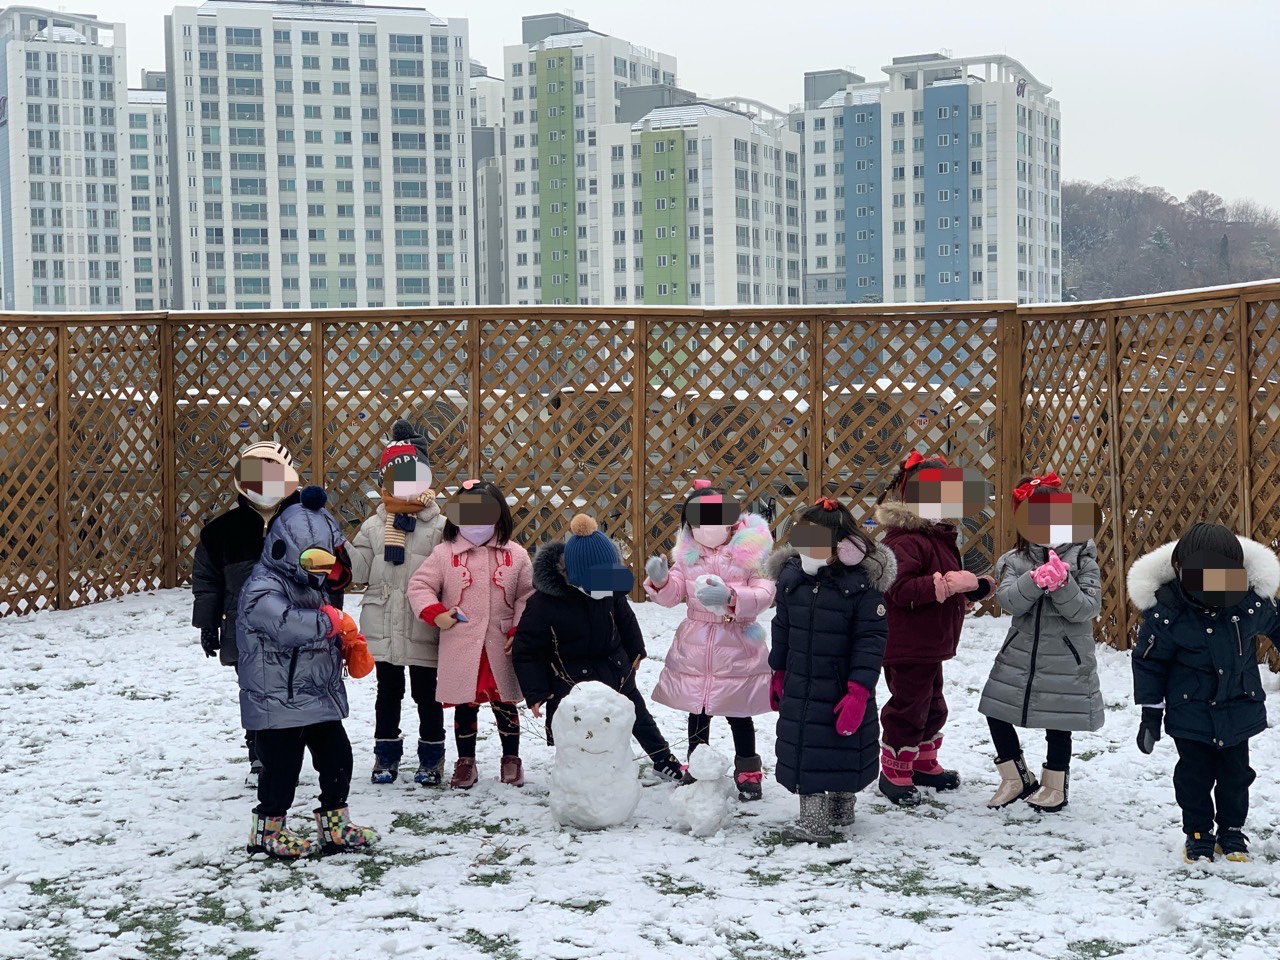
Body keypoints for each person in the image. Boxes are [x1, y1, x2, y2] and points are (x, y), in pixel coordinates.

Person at [237, 485, 377, 859]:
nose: (319, 572)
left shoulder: (310, 586)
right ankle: (268, 830)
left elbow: (322, 625)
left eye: (325, 563)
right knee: (281, 770)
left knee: (338, 757)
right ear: (285, 549)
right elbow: (285, 625)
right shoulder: (262, 586)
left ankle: (335, 824)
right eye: (312, 561)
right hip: (277, 698)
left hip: (316, 693)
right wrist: (330, 621)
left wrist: (347, 644)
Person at [1127, 522, 1279, 864]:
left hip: (1239, 706)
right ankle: (1198, 833)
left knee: (1236, 776)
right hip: (1189, 709)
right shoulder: (1167, 612)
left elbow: (1277, 624)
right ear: (1180, 569)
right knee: (1194, 776)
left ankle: (1231, 831)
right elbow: (1149, 662)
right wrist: (1151, 713)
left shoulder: (1250, 603)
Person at [512, 513, 683, 781]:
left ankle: (662, 758)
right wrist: (536, 692)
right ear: (575, 576)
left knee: (639, 716)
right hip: (569, 680)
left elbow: (625, 619)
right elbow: (527, 649)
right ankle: (581, 773)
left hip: (614, 668)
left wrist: (636, 651)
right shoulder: (544, 603)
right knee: (579, 729)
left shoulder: (609, 590)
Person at [765, 498, 895, 844]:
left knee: (841, 746)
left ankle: (839, 808)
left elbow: (870, 641)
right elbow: (782, 627)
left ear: (843, 546)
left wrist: (859, 690)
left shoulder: (861, 589)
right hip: (799, 683)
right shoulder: (794, 580)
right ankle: (815, 819)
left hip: (841, 686)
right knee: (806, 750)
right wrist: (777, 671)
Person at [873, 452, 995, 806]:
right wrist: (944, 584)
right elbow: (899, 588)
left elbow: (945, 583)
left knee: (933, 706)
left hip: (928, 643)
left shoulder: (937, 536)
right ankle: (894, 771)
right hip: (907, 644)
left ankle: (923, 763)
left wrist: (969, 590)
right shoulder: (904, 540)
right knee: (908, 707)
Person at [978, 474, 1105, 812]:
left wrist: (1063, 582)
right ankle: (1015, 775)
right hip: (1019, 653)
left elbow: (1088, 608)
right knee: (995, 707)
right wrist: (1033, 581)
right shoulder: (1015, 559)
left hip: (1065, 655)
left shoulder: (1082, 557)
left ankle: (1055, 784)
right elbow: (1009, 601)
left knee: (1058, 721)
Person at [643, 479, 776, 800]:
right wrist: (661, 581)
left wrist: (731, 596)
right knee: (698, 710)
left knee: (739, 711)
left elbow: (765, 592)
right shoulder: (689, 554)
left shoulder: (750, 551)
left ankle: (747, 768)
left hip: (738, 643)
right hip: (697, 644)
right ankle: (697, 764)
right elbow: (675, 592)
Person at [406, 479, 533, 789]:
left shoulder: (515, 555)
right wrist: (437, 613)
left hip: (501, 644)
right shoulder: (444, 553)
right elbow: (419, 586)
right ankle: (466, 761)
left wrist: (519, 628)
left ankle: (511, 759)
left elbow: (526, 595)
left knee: (505, 704)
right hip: (462, 644)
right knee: (465, 705)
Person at [191, 440, 301, 787]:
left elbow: (328, 578)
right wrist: (208, 625)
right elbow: (208, 582)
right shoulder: (220, 531)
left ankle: (286, 754)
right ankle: (258, 754)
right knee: (255, 691)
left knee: (291, 690)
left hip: (294, 626)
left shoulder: (304, 525)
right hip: (245, 630)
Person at [349, 419, 449, 786]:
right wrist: (337, 547)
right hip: (384, 622)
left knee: (427, 694)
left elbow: (449, 573)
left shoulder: (439, 526)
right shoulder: (375, 525)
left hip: (422, 623)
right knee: (388, 694)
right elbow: (359, 567)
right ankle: (385, 757)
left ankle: (432, 757)